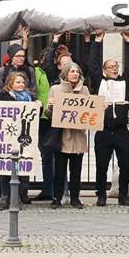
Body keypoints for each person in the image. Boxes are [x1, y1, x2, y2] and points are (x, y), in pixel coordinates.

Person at [87, 34, 129, 207]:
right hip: (104, 130)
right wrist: (97, 43)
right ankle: (101, 195)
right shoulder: (99, 81)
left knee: (125, 165)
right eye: (110, 67)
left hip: (122, 131)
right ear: (104, 70)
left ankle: (123, 195)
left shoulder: (124, 81)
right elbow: (92, 66)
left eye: (116, 66)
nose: (114, 69)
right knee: (101, 166)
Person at [46, 62, 91, 208]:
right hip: (62, 136)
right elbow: (48, 113)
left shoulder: (84, 90)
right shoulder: (55, 89)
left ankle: (75, 198)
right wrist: (51, 107)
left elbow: (89, 111)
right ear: (65, 73)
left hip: (78, 136)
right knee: (59, 170)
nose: (75, 74)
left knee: (76, 170)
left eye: (77, 71)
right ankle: (57, 198)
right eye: (72, 71)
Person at [0, 71, 36, 210]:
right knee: (6, 167)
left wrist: (38, 106)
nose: (21, 85)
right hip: (8, 137)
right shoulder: (3, 96)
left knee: (23, 164)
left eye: (23, 82)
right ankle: (6, 197)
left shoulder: (30, 98)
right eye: (18, 82)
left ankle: (20, 195)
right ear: (10, 83)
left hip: (23, 137)